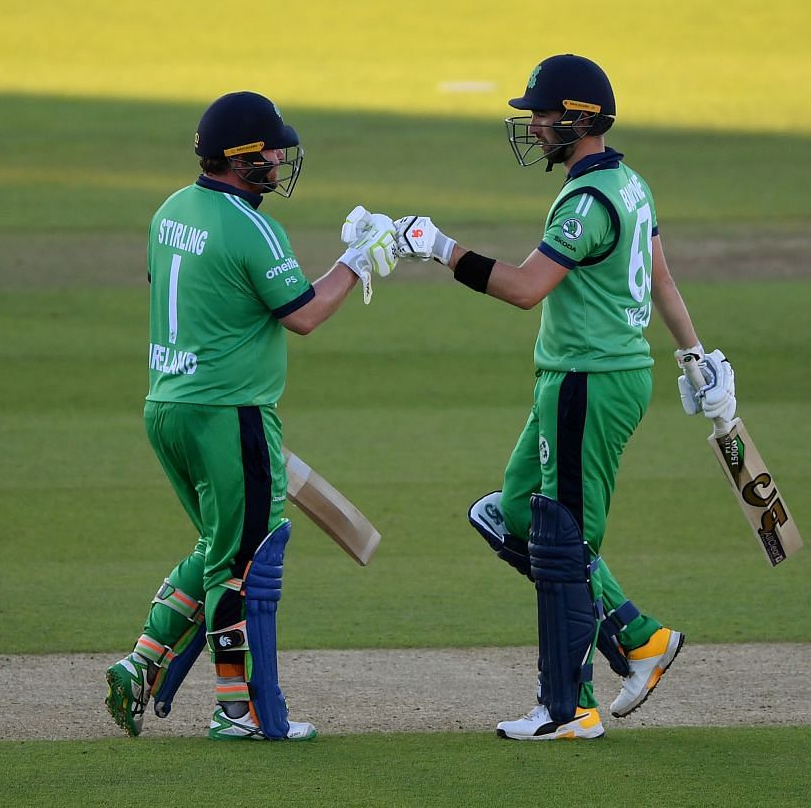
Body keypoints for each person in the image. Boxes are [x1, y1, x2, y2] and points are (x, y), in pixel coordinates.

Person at [391, 53, 739, 742]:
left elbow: (525, 288)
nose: (535, 124)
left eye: (542, 114)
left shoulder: (587, 202)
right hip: (573, 376)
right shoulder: (629, 184)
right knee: (512, 512)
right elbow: (661, 277)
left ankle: (567, 707)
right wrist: (695, 353)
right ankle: (638, 638)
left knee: (564, 538)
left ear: (577, 119)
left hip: (591, 378)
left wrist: (438, 247)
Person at [103, 91, 399, 742]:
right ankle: (238, 709)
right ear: (239, 159)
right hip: (230, 411)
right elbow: (304, 313)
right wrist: (356, 261)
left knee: (221, 547)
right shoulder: (251, 224)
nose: (277, 158)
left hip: (167, 407)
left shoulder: (169, 210)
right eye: (268, 150)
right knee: (246, 563)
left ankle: (143, 660)